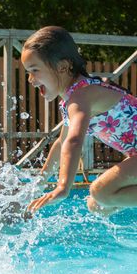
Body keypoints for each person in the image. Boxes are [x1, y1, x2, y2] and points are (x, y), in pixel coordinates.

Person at [22, 26, 137, 216]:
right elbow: (61, 144)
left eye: (34, 70)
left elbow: (74, 141)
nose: (30, 79)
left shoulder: (81, 97)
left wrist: (62, 187)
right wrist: (37, 186)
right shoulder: (71, 100)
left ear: (62, 67)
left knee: (101, 191)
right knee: (97, 205)